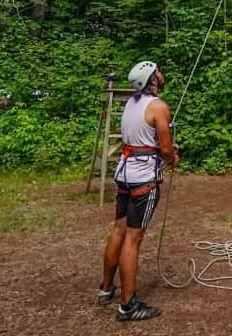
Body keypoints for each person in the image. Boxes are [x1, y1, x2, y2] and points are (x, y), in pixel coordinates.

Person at [97, 60, 178, 322]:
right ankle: (128, 305)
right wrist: (173, 158)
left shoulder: (131, 104)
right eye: (158, 72)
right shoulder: (159, 107)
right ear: (152, 80)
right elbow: (166, 150)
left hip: (125, 175)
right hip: (144, 179)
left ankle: (107, 289)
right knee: (133, 238)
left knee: (119, 230)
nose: (162, 75)